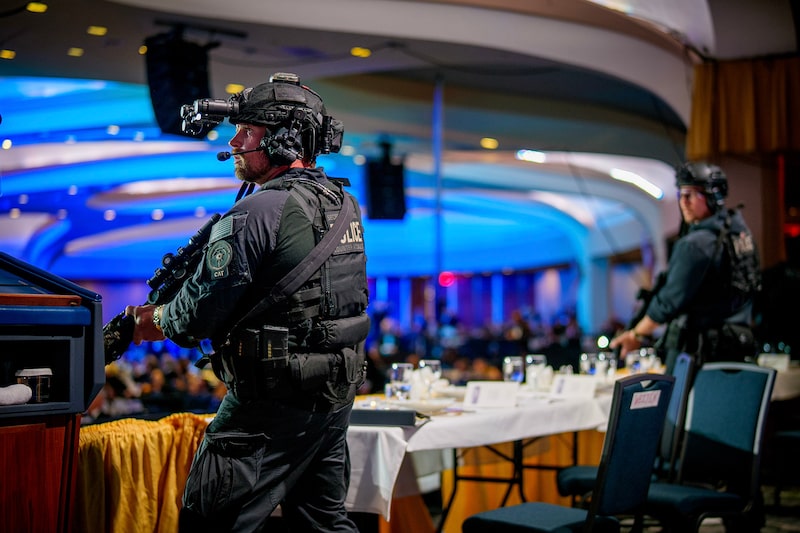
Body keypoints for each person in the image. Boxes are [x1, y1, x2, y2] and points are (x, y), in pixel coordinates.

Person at [125, 73, 370, 532]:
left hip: (265, 407)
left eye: (249, 130)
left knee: (209, 523)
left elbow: (194, 317)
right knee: (323, 523)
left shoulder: (256, 213)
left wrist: (149, 319)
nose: (235, 141)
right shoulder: (345, 205)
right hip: (331, 398)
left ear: (283, 139)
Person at [610, 161, 761, 374]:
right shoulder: (741, 234)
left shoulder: (695, 244)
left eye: (691, 194)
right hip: (738, 347)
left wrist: (636, 334)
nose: (683, 202)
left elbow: (669, 302)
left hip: (699, 354)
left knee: (675, 407)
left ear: (712, 196)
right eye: (681, 194)